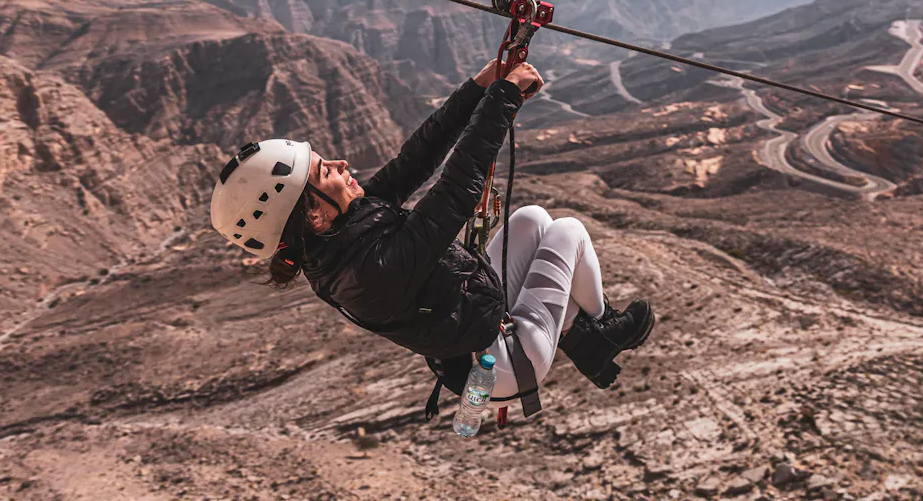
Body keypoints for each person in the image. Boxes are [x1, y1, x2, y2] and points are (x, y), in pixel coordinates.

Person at [210, 59, 655, 413]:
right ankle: (603, 330)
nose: (342, 166)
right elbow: (454, 192)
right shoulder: (368, 271)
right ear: (311, 216)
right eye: (325, 172)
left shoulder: (341, 233)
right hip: (502, 363)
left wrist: (480, 87)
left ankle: (579, 337)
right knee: (568, 231)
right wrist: (503, 99)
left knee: (532, 220)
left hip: (480, 325)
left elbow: (418, 158)